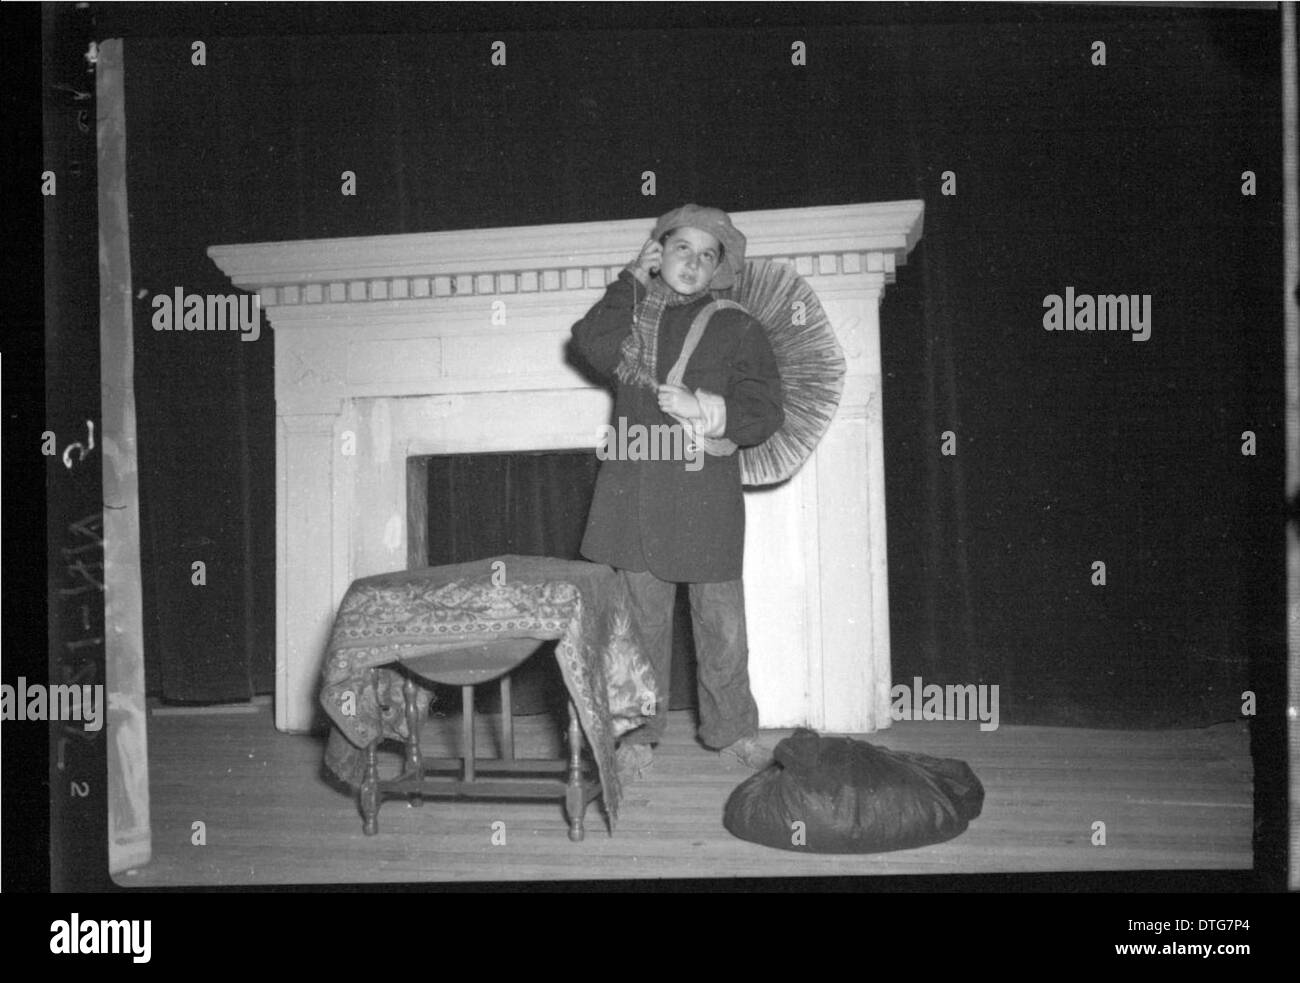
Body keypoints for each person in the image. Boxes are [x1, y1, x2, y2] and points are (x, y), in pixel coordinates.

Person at [570, 203, 784, 783]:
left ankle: (734, 732)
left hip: (705, 499)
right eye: (681, 248)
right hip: (635, 495)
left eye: (708, 254)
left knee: (723, 628)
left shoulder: (736, 324)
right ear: (657, 252)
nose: (693, 262)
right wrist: (628, 281)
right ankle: (636, 739)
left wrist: (709, 412)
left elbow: (764, 412)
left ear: (720, 268)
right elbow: (589, 344)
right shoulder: (633, 310)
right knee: (639, 628)